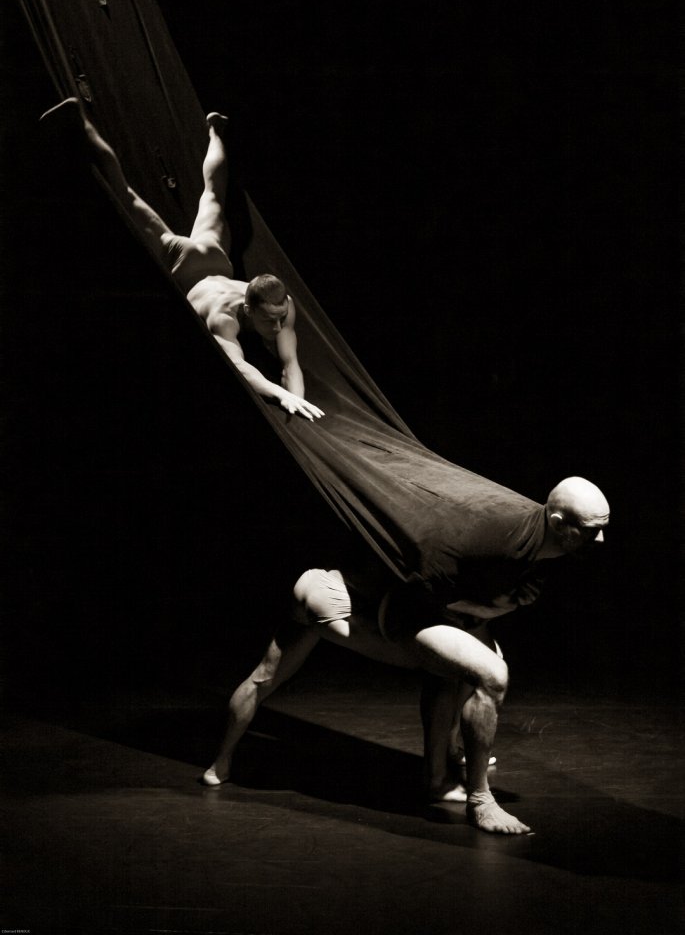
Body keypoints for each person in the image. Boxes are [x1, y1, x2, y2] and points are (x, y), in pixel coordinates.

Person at [202, 476, 610, 836]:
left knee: (266, 677)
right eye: (593, 530)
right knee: (482, 670)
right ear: (559, 525)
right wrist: (490, 609)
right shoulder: (492, 541)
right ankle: (475, 795)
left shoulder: (529, 537)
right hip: (327, 600)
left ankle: (219, 765)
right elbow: (410, 603)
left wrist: (496, 607)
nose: (601, 539)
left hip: (353, 591)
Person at [40, 98, 324, 422]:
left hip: (215, 257)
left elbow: (291, 363)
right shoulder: (224, 318)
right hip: (182, 263)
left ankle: (216, 128)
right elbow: (240, 366)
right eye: (268, 320)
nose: (277, 326)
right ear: (247, 309)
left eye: (279, 317)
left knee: (215, 193)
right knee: (126, 196)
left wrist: (295, 399)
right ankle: (80, 122)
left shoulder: (280, 305)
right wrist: (278, 393)